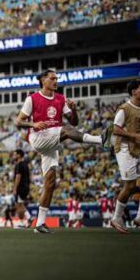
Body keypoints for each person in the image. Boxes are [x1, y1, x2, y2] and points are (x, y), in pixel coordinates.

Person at [15, 69, 112, 234]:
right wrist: (34, 125)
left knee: (50, 182)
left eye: (56, 78)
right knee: (66, 130)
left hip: (53, 140)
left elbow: (74, 122)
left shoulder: (61, 99)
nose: (56, 81)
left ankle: (40, 224)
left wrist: (73, 110)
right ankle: (100, 140)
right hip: (39, 137)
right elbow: (19, 121)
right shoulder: (32, 99)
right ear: (43, 81)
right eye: (52, 78)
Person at [109, 79, 140, 234]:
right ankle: (116, 218)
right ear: (134, 92)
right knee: (130, 186)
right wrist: (135, 136)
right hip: (125, 149)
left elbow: (138, 127)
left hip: (139, 149)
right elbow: (115, 129)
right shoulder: (124, 109)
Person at [12, 149, 31, 227]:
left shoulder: (19, 165)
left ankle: (22, 222)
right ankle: (29, 217)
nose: (13, 156)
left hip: (21, 187)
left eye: (15, 154)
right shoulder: (25, 165)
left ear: (19, 155)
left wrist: (15, 188)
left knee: (18, 205)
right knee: (21, 204)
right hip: (26, 187)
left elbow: (18, 177)